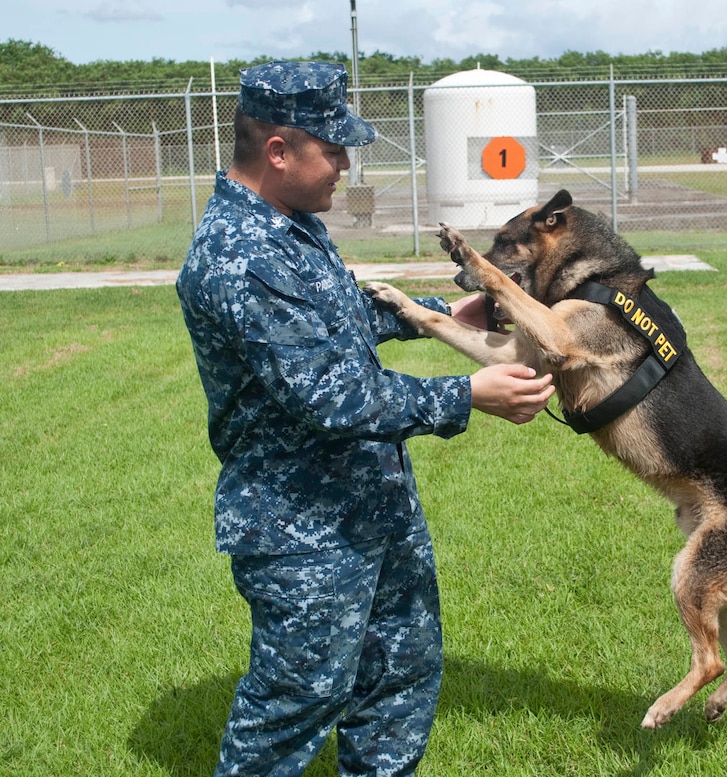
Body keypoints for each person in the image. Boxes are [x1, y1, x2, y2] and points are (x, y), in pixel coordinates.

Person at [175, 61, 554, 776]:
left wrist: (445, 315)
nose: (347, 163)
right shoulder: (240, 256)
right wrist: (467, 395)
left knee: (399, 677)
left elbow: (339, 321)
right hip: (303, 529)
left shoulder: (289, 225)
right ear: (279, 150)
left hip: (369, 504)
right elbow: (332, 395)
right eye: (334, 147)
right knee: (295, 702)